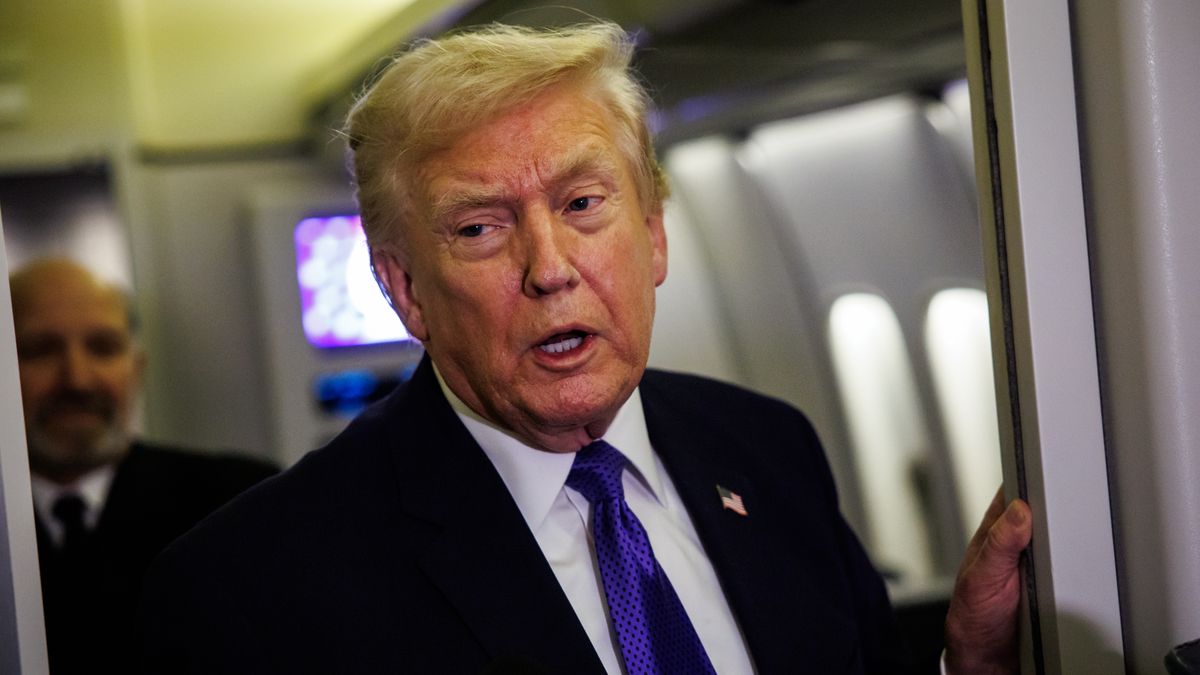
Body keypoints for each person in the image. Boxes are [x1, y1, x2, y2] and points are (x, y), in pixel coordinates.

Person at [139, 22, 1030, 674]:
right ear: (406, 289)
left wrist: (970, 664)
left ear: (654, 233)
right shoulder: (254, 589)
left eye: (582, 205)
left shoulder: (770, 450)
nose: (550, 269)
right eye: (482, 228)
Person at [9, 258, 279, 675]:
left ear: (136, 368)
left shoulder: (244, 502)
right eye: (42, 350)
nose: (76, 379)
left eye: (103, 347)